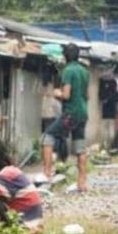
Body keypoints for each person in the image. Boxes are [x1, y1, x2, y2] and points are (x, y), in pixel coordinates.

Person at [42, 43, 90, 191]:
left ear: (65, 56)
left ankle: (47, 175)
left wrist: (57, 94)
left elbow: (66, 94)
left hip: (70, 113)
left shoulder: (67, 71)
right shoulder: (84, 71)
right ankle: (82, 183)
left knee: (47, 137)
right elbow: (86, 95)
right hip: (82, 113)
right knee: (80, 147)